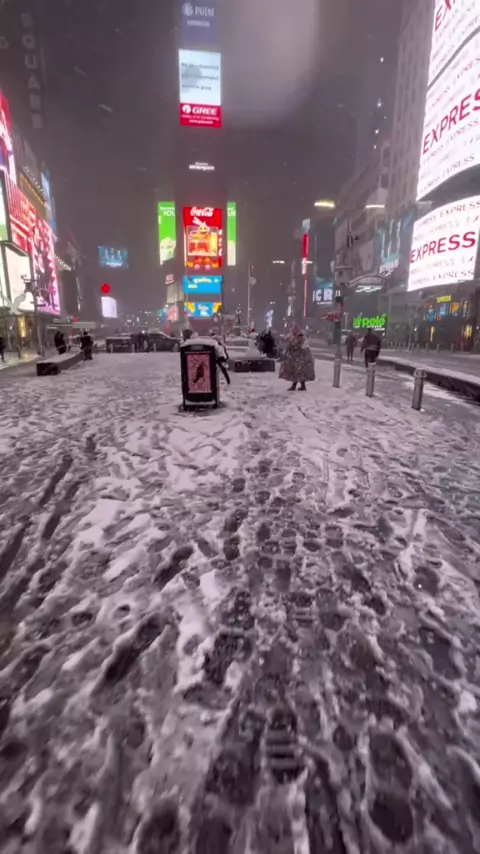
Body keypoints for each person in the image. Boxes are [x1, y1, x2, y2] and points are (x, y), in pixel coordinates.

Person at [279, 323, 315, 391]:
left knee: (297, 372)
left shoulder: (299, 337)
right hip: (299, 358)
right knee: (299, 373)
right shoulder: (297, 336)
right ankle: (301, 386)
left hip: (300, 358)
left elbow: (297, 346)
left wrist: (291, 345)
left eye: (292, 330)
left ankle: (295, 386)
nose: (291, 332)